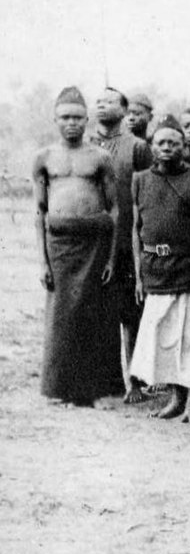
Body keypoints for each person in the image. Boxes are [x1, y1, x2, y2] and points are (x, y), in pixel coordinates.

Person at [129, 117, 190, 423]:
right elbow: (136, 228)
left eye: (174, 142)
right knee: (163, 336)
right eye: (161, 143)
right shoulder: (140, 179)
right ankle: (174, 397)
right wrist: (139, 275)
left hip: (187, 269)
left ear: (184, 146)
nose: (167, 148)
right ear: (153, 147)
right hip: (155, 268)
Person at [33, 86, 121, 405]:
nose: (71, 123)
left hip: (94, 243)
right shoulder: (44, 157)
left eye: (77, 118)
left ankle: (93, 390)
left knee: (92, 313)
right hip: (59, 243)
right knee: (60, 314)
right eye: (65, 117)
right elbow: (40, 211)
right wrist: (43, 262)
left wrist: (110, 257)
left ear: (87, 120)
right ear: (55, 119)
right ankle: (58, 389)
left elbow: (114, 209)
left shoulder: (100, 157)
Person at [91, 87, 154, 403]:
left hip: (128, 240)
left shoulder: (138, 147)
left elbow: (149, 193)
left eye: (110, 101)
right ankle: (100, 378)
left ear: (124, 109)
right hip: (92, 243)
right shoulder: (86, 146)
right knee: (95, 312)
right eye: (98, 100)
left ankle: (137, 381)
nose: (103, 105)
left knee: (131, 312)